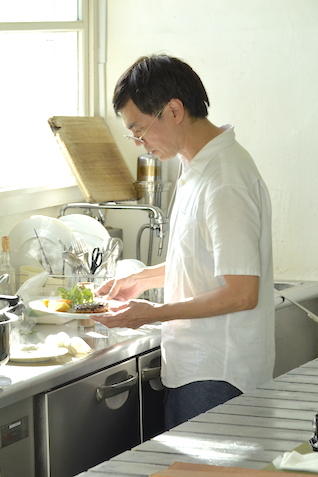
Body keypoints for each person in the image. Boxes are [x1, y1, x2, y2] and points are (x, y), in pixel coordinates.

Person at [96, 54, 274, 431]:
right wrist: (142, 278)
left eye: (140, 130)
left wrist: (152, 313)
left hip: (217, 375)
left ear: (174, 110)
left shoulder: (225, 180)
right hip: (197, 369)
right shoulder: (195, 166)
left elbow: (242, 293)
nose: (139, 143)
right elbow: (203, 260)